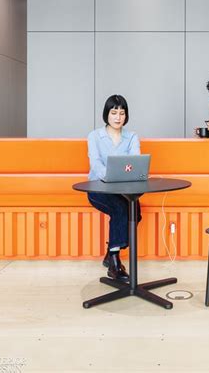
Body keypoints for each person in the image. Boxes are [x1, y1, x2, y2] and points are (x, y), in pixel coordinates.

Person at [86, 94, 141, 282]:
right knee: (120, 210)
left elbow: (135, 162)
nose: (118, 117)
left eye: (122, 113)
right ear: (107, 114)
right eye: (114, 112)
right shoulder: (94, 136)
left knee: (135, 211)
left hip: (123, 190)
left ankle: (110, 252)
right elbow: (96, 165)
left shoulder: (131, 137)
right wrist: (112, 178)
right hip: (98, 189)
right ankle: (115, 265)